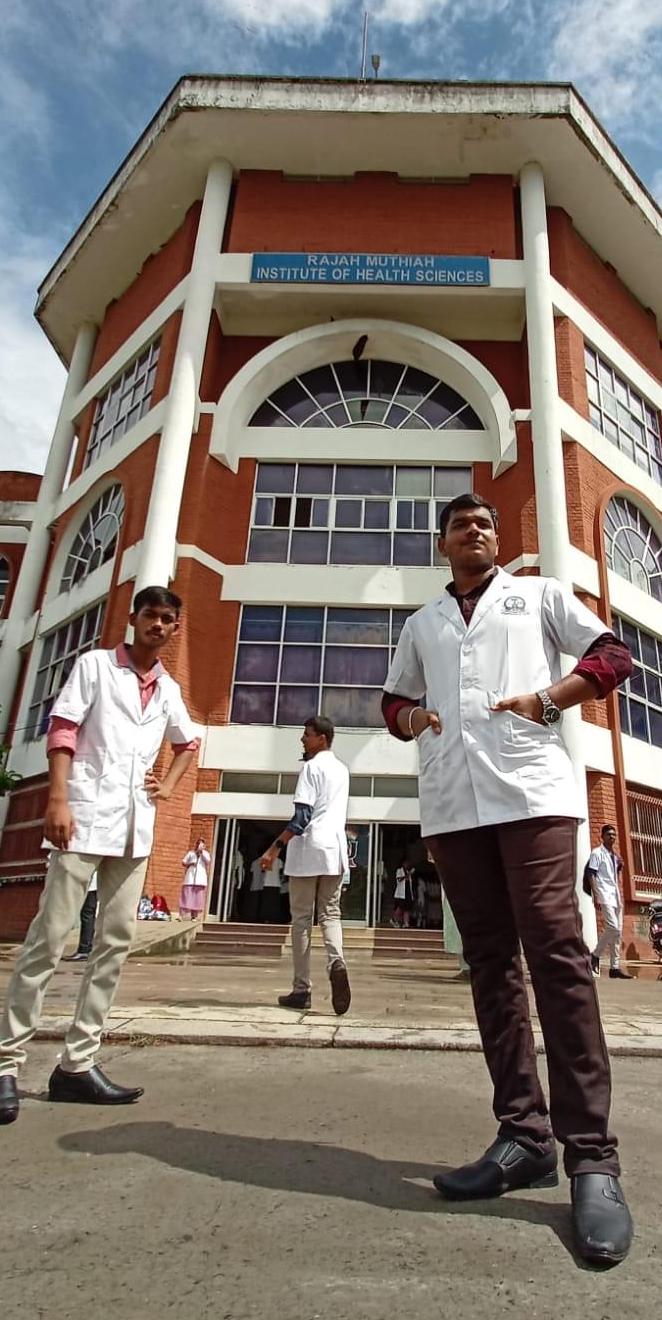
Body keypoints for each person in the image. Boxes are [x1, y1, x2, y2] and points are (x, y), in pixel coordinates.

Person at [381, 492, 636, 1267]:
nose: (477, 531)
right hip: (454, 803)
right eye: (462, 525)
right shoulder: (422, 624)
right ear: (443, 543)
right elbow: (393, 699)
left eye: (487, 523)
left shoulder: (540, 596)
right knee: (487, 964)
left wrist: (548, 700)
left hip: (532, 793)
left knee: (557, 953)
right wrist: (411, 722)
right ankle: (524, 1138)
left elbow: (611, 657)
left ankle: (592, 1157)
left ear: (499, 539)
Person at [0, 586, 201, 1127]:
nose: (160, 626)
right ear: (134, 618)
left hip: (131, 830)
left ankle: (77, 1064)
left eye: (170, 620)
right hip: (80, 818)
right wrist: (57, 798)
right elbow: (63, 729)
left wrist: (166, 788)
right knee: (49, 940)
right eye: (152, 616)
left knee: (114, 942)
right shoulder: (96, 666)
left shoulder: (168, 688)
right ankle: (4, 1068)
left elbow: (190, 743)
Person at [261, 715, 351, 1016]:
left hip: (310, 848)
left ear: (321, 739)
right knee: (330, 914)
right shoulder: (342, 769)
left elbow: (301, 819)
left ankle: (302, 990)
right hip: (335, 850)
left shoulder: (311, 768)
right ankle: (337, 961)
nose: (303, 739)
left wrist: (274, 848)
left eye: (307, 734)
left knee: (301, 919)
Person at [586, 824, 631, 979]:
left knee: (617, 933)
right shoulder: (597, 853)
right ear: (602, 837)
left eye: (613, 835)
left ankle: (615, 967)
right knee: (613, 927)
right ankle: (595, 954)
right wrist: (596, 894)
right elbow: (591, 874)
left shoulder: (614, 855)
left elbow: (614, 876)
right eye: (608, 835)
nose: (612, 837)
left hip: (615, 895)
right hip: (604, 894)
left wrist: (619, 867)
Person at [64, 876, 99, 962]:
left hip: (90, 886)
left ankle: (85, 950)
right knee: (88, 914)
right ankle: (86, 949)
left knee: (87, 915)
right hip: (92, 886)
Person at [179, 840, 210, 920]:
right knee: (186, 896)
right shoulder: (191, 853)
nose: (199, 845)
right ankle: (181, 915)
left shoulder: (206, 853)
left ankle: (194, 916)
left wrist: (201, 852)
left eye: (201, 844)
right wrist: (190, 864)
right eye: (198, 843)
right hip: (190, 877)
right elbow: (183, 862)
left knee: (197, 898)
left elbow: (208, 861)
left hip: (200, 879)